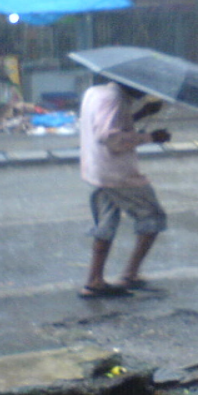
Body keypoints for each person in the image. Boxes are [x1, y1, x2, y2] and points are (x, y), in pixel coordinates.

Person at [78, 79, 171, 298]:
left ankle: (94, 280)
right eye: (142, 87)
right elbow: (112, 138)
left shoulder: (95, 92)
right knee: (153, 218)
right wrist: (151, 137)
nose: (144, 90)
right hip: (118, 174)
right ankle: (129, 274)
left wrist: (141, 113)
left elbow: (105, 125)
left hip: (97, 169)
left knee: (106, 223)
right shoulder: (114, 99)